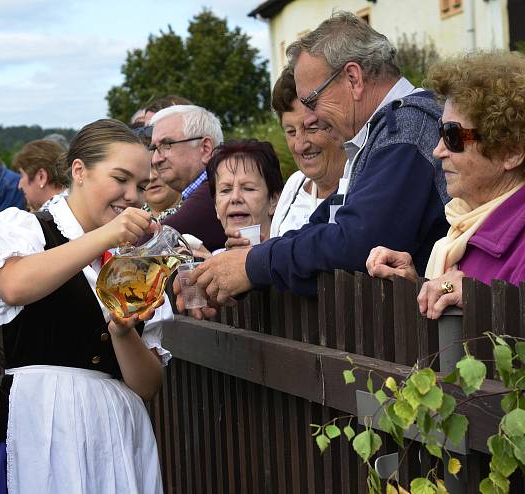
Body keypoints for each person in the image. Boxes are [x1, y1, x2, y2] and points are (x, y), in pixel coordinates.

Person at [176, 12, 449, 315]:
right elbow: (320, 229)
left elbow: (356, 245)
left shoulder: (406, 128)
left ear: (353, 79)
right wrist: (230, 273)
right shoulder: (383, 133)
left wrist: (253, 265)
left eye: (311, 101)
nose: (311, 118)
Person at [0, 119, 169, 493]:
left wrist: (122, 333)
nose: (131, 195)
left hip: (114, 437)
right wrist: (105, 234)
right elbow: (14, 286)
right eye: (120, 178)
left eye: (141, 186)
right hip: (39, 427)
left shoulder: (140, 263)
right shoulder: (28, 229)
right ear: (79, 171)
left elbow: (147, 385)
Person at [367, 51, 525, 319]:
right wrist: (417, 284)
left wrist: (482, 298)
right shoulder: (463, 226)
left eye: (453, 136)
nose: (437, 150)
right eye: (441, 132)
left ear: (511, 152)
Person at [269, 66, 346, 237]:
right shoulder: (294, 184)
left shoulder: (360, 186)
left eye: (311, 128)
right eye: (290, 132)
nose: (299, 145)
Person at [148, 104, 227, 250]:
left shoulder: (214, 190)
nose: (155, 159)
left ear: (205, 148)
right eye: (154, 148)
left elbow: (146, 248)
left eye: (167, 145)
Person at [195, 140, 283, 258]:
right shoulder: (211, 259)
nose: (235, 198)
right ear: (216, 206)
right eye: (226, 190)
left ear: (274, 200)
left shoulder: (292, 260)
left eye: (248, 188)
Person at [12, 139, 68, 211]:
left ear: (41, 177)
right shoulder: (76, 205)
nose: (19, 186)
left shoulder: (46, 218)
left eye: (22, 176)